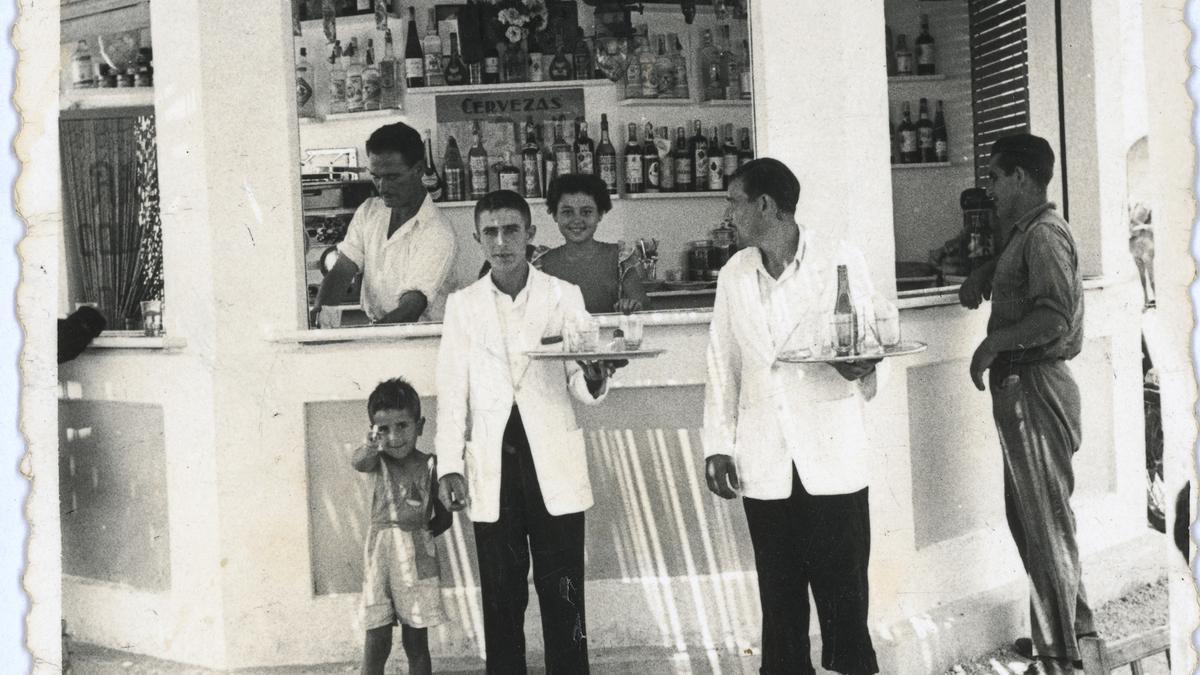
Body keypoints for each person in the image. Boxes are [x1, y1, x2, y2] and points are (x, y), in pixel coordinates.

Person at [703, 158, 884, 675]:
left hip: (832, 456)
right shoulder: (734, 275)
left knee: (845, 598)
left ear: (765, 205)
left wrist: (864, 369)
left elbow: (869, 340)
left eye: (734, 202)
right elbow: (723, 361)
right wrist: (717, 444)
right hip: (765, 460)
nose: (728, 214)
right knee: (779, 599)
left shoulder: (839, 258)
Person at [434, 189, 624, 674]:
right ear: (478, 239)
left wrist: (595, 374)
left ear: (531, 235)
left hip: (551, 462)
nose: (502, 242)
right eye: (491, 233)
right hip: (495, 466)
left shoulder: (564, 296)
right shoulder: (463, 306)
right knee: (501, 593)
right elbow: (452, 393)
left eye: (511, 230)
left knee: (563, 590)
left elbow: (582, 383)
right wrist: (450, 465)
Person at [962, 133, 1095, 675]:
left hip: (1036, 387)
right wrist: (987, 270)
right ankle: (1070, 636)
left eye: (995, 176)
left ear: (1021, 178)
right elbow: (1022, 276)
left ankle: (1060, 658)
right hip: (1025, 387)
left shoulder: (1043, 235)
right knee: (1038, 521)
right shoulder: (1027, 234)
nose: (989, 187)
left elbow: (1054, 317)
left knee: (1045, 525)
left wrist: (993, 343)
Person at [310, 122, 458, 326]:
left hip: (422, 339)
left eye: (392, 177)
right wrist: (320, 314)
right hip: (380, 329)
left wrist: (365, 339)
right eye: (376, 177)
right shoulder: (369, 211)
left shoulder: (437, 231)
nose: (382, 187)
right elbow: (342, 270)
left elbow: (410, 309)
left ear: (418, 170)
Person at [352, 377, 453, 675]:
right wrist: (371, 447)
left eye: (402, 426)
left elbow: (443, 516)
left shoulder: (432, 464)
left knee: (416, 637)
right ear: (374, 432)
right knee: (377, 635)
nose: (394, 437)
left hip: (418, 558)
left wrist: (421, 537)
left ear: (420, 426)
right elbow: (358, 461)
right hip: (381, 557)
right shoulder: (377, 460)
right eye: (383, 429)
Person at [537, 173, 651, 314]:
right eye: (567, 212)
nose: (577, 220)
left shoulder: (619, 258)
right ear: (554, 215)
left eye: (586, 212)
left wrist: (631, 305)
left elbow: (643, 305)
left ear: (600, 214)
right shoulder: (542, 263)